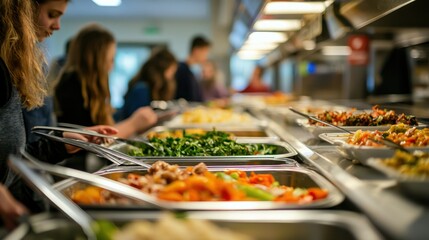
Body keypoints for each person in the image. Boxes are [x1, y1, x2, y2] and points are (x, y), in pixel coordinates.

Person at [0, 0, 117, 228]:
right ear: (22, 11)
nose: (58, 26)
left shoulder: (10, 70)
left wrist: (61, 143)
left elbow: (14, 158)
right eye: (52, 14)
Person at [55, 24, 158, 138]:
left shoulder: (87, 84)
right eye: (111, 59)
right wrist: (134, 123)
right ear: (96, 59)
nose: (112, 66)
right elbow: (90, 141)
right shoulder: (72, 84)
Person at [120, 48, 177, 120]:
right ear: (163, 69)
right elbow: (137, 121)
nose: (172, 75)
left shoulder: (152, 88)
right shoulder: (141, 89)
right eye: (171, 70)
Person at [175, 35, 211, 102]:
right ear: (196, 50)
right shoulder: (181, 70)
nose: (206, 57)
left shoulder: (191, 71)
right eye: (205, 52)